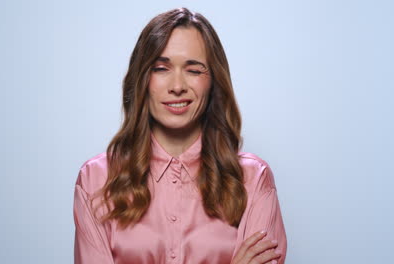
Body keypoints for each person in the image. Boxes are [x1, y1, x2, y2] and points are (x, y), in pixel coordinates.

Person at [73, 7, 287, 264]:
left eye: (194, 70)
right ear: (142, 80)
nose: (177, 86)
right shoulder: (95, 180)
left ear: (213, 82)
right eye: (161, 68)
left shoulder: (254, 180)